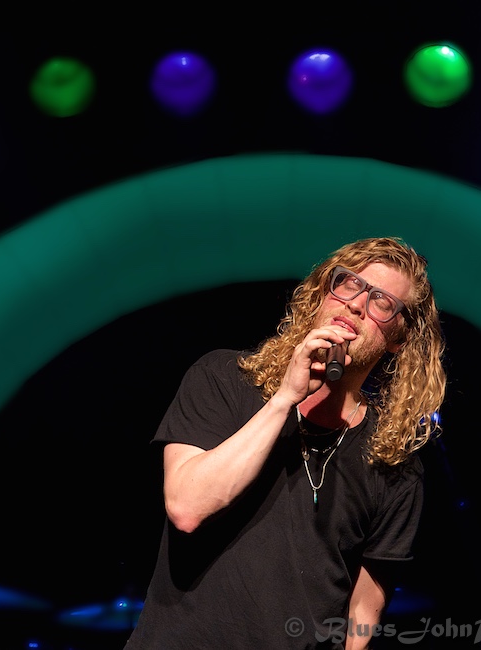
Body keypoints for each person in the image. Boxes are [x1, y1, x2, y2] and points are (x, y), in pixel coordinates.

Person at [123, 236, 447, 649]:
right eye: (347, 284)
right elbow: (187, 507)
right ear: (320, 294)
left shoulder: (392, 459)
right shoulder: (222, 378)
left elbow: (365, 608)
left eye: (382, 302)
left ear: (399, 337)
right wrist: (283, 400)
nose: (356, 304)